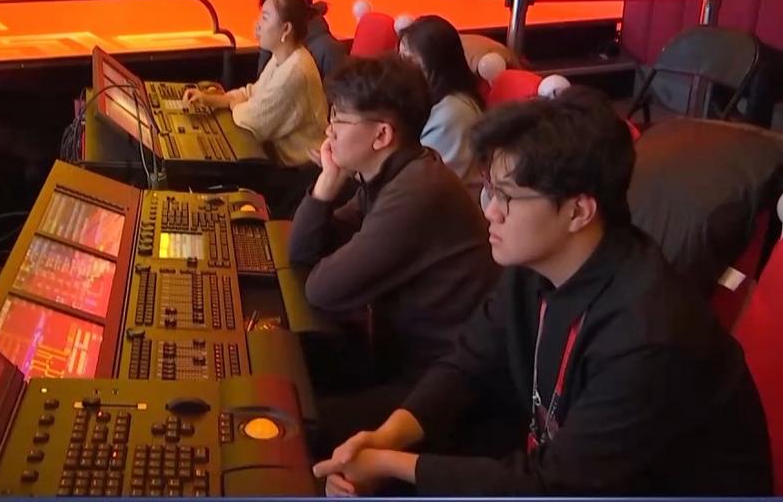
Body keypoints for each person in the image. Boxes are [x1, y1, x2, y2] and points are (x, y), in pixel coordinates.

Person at [312, 87, 773, 496]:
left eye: (507, 197)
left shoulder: (648, 333)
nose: (490, 211)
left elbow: (554, 485)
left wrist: (390, 464)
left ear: (578, 211)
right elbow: (468, 361)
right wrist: (387, 437)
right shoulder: (535, 267)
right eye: (490, 190)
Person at [289, 56, 499, 450]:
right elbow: (302, 251)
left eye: (339, 120)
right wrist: (327, 183)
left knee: (294, 426)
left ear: (382, 134)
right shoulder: (398, 173)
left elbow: (323, 289)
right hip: (400, 358)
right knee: (289, 371)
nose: (329, 131)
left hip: (440, 389)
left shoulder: (417, 191)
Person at [184, 0, 327, 215]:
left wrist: (232, 104)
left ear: (286, 29)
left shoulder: (295, 71)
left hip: (297, 177)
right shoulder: (283, 57)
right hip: (279, 163)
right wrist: (212, 99)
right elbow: (252, 93)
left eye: (265, 17)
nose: (257, 24)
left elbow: (252, 121)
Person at [398, 15, 486, 186]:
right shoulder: (424, 98)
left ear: (437, 62)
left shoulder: (452, 113)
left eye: (408, 60)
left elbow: (418, 180)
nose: (400, 67)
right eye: (399, 57)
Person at [256, 0, 346, 80]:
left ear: (286, 27)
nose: (258, 23)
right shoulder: (276, 46)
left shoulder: (328, 50)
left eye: (265, 17)